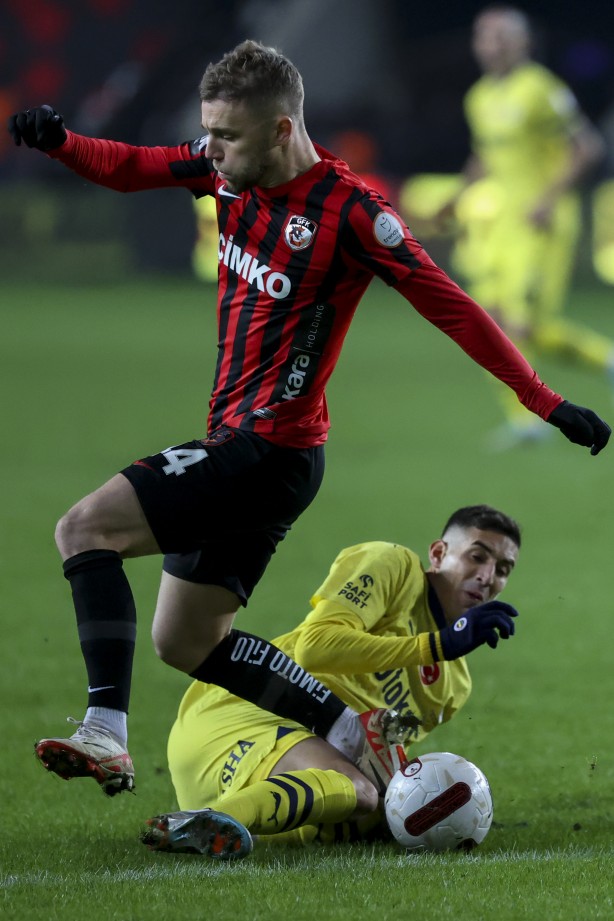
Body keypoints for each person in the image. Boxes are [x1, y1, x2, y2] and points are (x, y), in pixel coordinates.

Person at [7, 41, 609, 801]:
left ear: (282, 129)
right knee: (187, 641)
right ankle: (349, 728)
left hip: (268, 448)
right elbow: (131, 167)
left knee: (83, 528)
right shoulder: (224, 170)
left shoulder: (354, 214)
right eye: (209, 133)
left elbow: (453, 307)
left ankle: (105, 731)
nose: (211, 151)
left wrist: (544, 400)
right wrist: (61, 142)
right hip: (261, 451)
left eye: (227, 136)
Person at [140, 504, 520, 859]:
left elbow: (373, 753)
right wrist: (436, 644)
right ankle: (205, 819)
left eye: (503, 569)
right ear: (438, 553)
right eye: (477, 555)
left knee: (371, 807)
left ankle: (217, 821)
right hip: (247, 709)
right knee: (359, 791)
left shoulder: (453, 686)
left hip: (276, 775)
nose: (487, 576)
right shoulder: (395, 567)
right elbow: (314, 647)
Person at [440, 5, 612, 449]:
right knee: (494, 323)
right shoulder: (478, 97)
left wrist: (548, 199)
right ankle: (530, 418)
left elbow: (587, 147)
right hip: (503, 224)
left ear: (522, 42)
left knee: (518, 325)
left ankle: (535, 417)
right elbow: (486, 156)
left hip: (543, 222)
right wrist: (458, 195)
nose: (489, 44)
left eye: (499, 36)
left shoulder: (541, 89)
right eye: (483, 36)